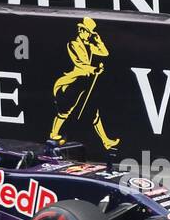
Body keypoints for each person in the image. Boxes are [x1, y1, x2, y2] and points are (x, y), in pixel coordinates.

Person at [49, 17, 121, 150]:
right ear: (81, 30)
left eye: (90, 33)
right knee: (65, 111)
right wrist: (95, 69)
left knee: (94, 112)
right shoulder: (73, 44)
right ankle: (54, 134)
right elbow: (80, 65)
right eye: (87, 32)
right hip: (72, 82)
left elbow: (104, 52)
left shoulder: (90, 45)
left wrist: (98, 41)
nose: (89, 35)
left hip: (85, 84)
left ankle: (106, 141)